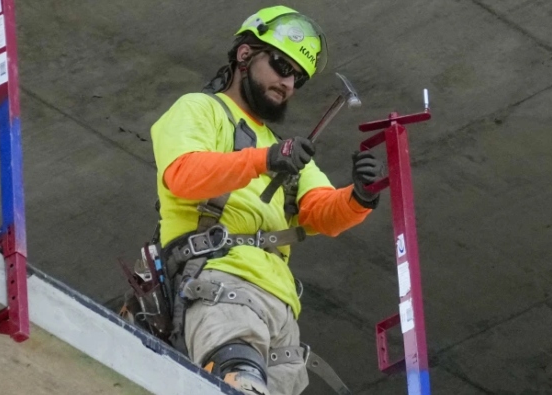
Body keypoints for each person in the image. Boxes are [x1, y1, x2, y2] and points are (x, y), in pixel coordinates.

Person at [149, 5, 381, 395]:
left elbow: (322, 212)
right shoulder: (201, 109)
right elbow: (183, 175)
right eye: (281, 65)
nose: (288, 83)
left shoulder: (282, 150)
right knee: (238, 383)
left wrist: (359, 196)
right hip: (222, 284)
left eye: (298, 79)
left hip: (282, 311)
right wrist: (264, 160)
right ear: (245, 55)